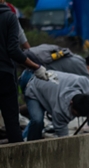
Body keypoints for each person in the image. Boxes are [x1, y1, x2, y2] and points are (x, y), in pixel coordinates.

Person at [1, 0, 48, 144]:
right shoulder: (9, 16)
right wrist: (36, 67)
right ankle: (19, 162)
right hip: (4, 76)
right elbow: (14, 51)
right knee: (11, 121)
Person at [23, 70, 89, 140]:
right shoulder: (60, 111)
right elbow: (64, 139)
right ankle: (32, 145)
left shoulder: (85, 84)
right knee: (37, 120)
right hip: (34, 88)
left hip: (51, 85)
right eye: (75, 114)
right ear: (71, 103)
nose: (75, 116)